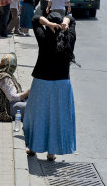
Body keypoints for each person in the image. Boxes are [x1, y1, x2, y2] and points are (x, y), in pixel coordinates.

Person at [23, 12, 77, 160]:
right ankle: (51, 152)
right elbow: (72, 19)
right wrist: (65, 21)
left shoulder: (43, 37)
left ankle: (33, 147)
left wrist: (47, 24)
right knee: (56, 117)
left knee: (37, 115)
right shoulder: (69, 38)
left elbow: (34, 19)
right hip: (62, 84)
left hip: (42, 81)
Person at [0, 53, 29, 121]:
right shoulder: (5, 78)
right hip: (1, 109)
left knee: (26, 96)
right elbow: (13, 97)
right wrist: (27, 93)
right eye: (12, 66)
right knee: (30, 107)